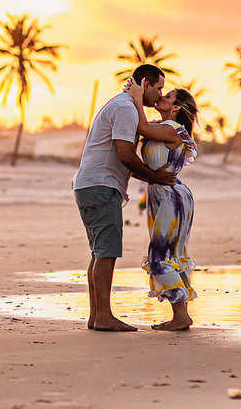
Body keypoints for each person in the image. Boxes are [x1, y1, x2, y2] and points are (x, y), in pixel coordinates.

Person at [72, 64, 177, 332]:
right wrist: (154, 176)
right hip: (101, 185)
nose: (160, 94)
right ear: (146, 84)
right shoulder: (125, 108)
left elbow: (125, 157)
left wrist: (151, 178)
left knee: (99, 253)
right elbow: (125, 155)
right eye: (159, 88)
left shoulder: (125, 105)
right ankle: (103, 316)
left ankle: (97, 316)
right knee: (106, 253)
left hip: (92, 185)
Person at [126, 79, 200, 331]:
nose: (161, 97)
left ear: (176, 107)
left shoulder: (172, 130)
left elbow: (140, 126)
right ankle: (180, 315)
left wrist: (137, 95)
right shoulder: (162, 127)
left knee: (160, 257)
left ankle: (181, 315)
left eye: (167, 96)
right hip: (162, 193)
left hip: (170, 196)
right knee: (172, 255)